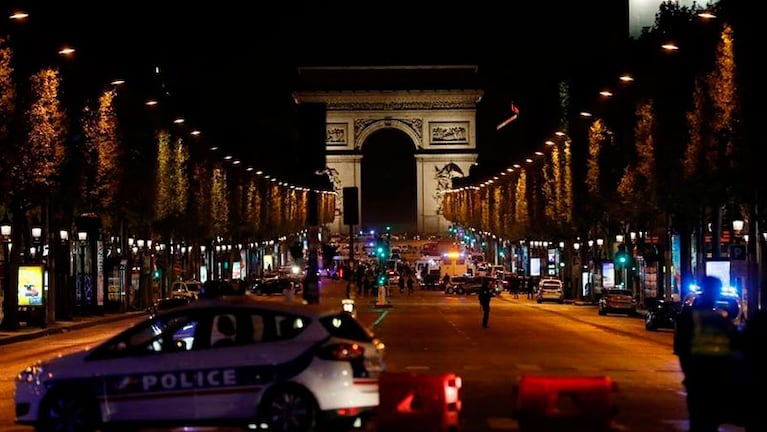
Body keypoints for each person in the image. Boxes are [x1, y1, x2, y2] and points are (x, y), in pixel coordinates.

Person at [673, 276, 741, 432]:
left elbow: (681, 347)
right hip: (713, 378)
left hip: (702, 377)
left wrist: (688, 371)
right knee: (709, 421)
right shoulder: (719, 318)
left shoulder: (694, 316)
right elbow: (736, 345)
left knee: (700, 421)